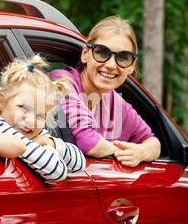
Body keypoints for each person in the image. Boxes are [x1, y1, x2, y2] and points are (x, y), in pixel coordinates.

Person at [50, 16, 161, 167]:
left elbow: (152, 141)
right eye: (102, 52)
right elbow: (88, 142)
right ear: (85, 54)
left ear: (131, 67)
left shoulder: (116, 102)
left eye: (123, 57)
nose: (111, 65)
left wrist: (141, 152)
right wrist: (123, 152)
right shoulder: (62, 83)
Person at [0, 55, 86, 182]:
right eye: (23, 108)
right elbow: (57, 171)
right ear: (1, 101)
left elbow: (80, 162)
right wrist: (41, 147)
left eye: (41, 116)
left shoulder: (36, 133)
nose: (31, 121)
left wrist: (49, 142)